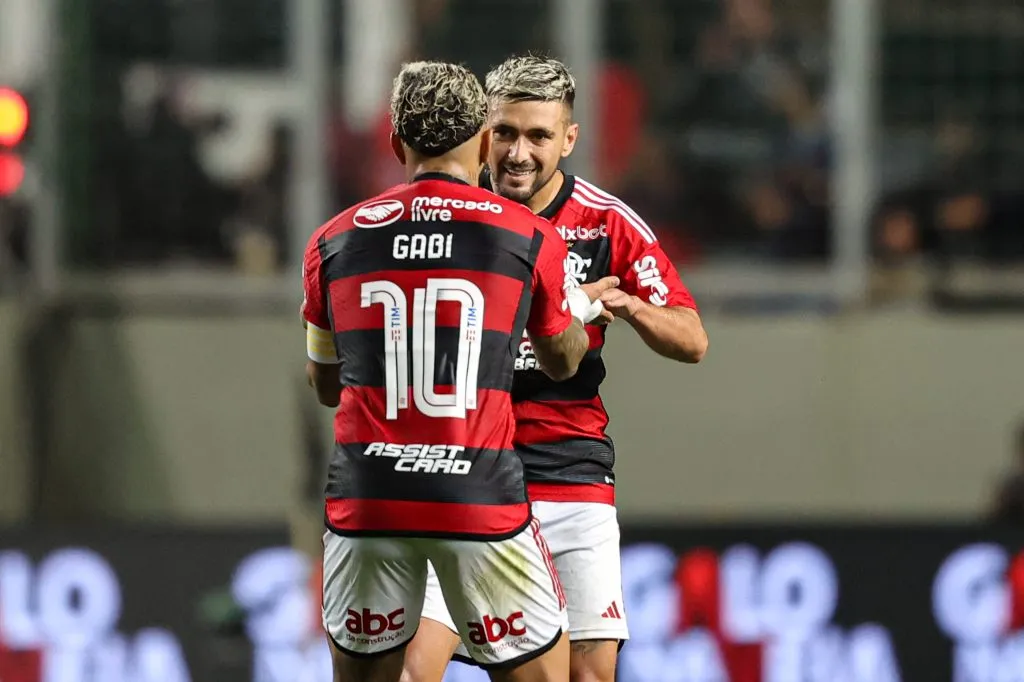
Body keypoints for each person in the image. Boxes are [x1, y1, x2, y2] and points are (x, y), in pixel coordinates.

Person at [302, 60, 620, 682]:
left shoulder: (332, 241)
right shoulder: (526, 234)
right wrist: (580, 309)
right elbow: (560, 360)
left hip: (370, 499)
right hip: (477, 494)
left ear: (395, 144)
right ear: (482, 141)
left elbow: (324, 385)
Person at [402, 55, 709, 682]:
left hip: (569, 468)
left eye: (539, 136)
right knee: (414, 666)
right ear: (484, 134)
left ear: (569, 139)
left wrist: (627, 304)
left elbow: (693, 338)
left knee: (590, 674)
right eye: (507, 133)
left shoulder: (605, 221)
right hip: (466, 470)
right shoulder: (447, 217)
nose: (519, 153)